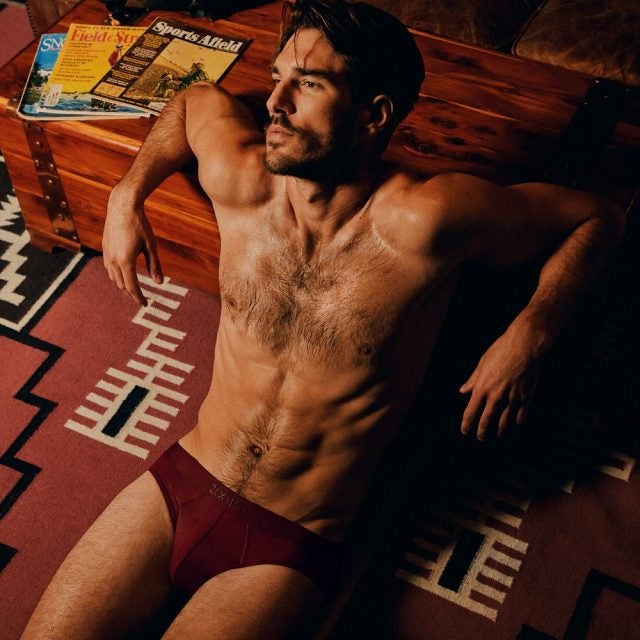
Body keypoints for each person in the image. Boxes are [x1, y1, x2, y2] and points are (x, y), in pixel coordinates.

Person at [21, 0, 625, 638]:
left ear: (374, 114)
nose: (275, 103)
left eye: (308, 84)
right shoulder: (241, 181)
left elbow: (597, 219)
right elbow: (194, 99)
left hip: (292, 539)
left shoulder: (427, 221)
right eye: (278, 77)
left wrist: (529, 334)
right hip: (181, 482)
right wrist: (127, 193)